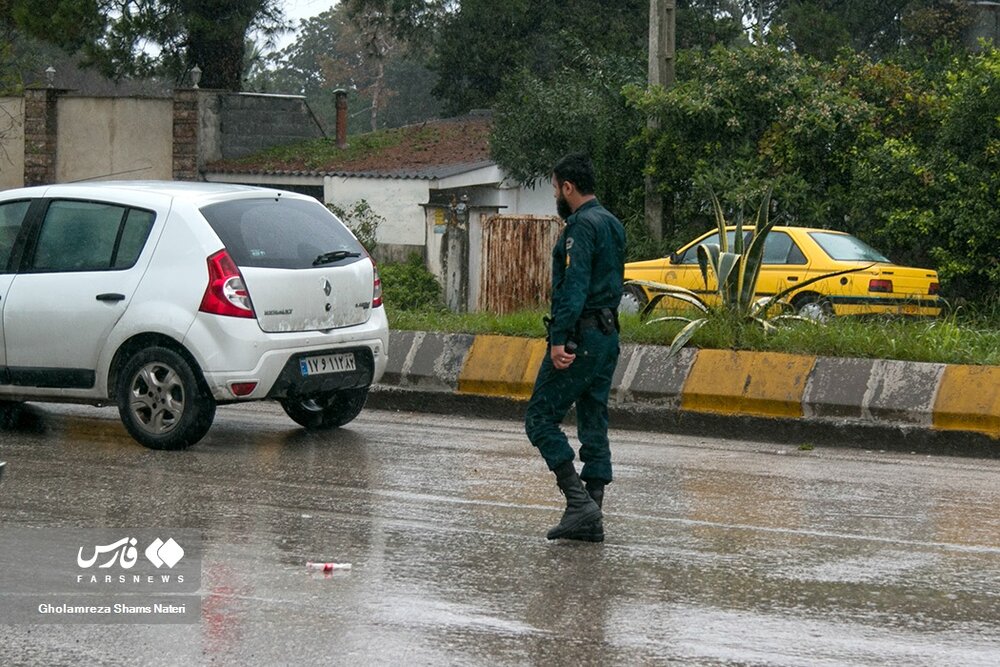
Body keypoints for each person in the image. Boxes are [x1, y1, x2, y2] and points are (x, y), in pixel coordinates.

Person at [525, 152, 626, 542]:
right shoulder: (613, 224)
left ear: (567, 187)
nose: (555, 194)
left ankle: (578, 503)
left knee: (539, 418)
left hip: (581, 336)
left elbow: (574, 286)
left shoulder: (580, 227)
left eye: (554, 187)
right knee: (592, 417)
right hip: (607, 335)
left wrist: (558, 339)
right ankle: (592, 515)